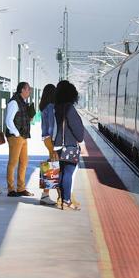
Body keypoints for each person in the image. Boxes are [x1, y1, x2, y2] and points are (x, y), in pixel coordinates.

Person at [53, 80, 84, 211]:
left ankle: (61, 199)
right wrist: (79, 138)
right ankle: (66, 200)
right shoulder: (69, 108)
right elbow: (79, 132)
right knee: (68, 173)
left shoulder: (56, 108)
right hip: (69, 146)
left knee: (61, 172)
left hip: (58, 145)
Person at [5, 82, 34, 197]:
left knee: (24, 162)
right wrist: (17, 134)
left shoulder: (23, 102)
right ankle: (11, 189)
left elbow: (24, 119)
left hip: (23, 136)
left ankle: (21, 188)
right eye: (28, 89)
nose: (29, 92)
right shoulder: (14, 102)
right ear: (22, 90)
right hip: (15, 137)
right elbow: (8, 120)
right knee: (13, 163)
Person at [38, 84, 58, 206]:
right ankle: (46, 195)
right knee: (53, 166)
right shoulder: (50, 106)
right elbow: (51, 125)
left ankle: (46, 194)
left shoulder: (44, 106)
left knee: (51, 164)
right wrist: (55, 140)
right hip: (51, 138)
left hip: (46, 138)